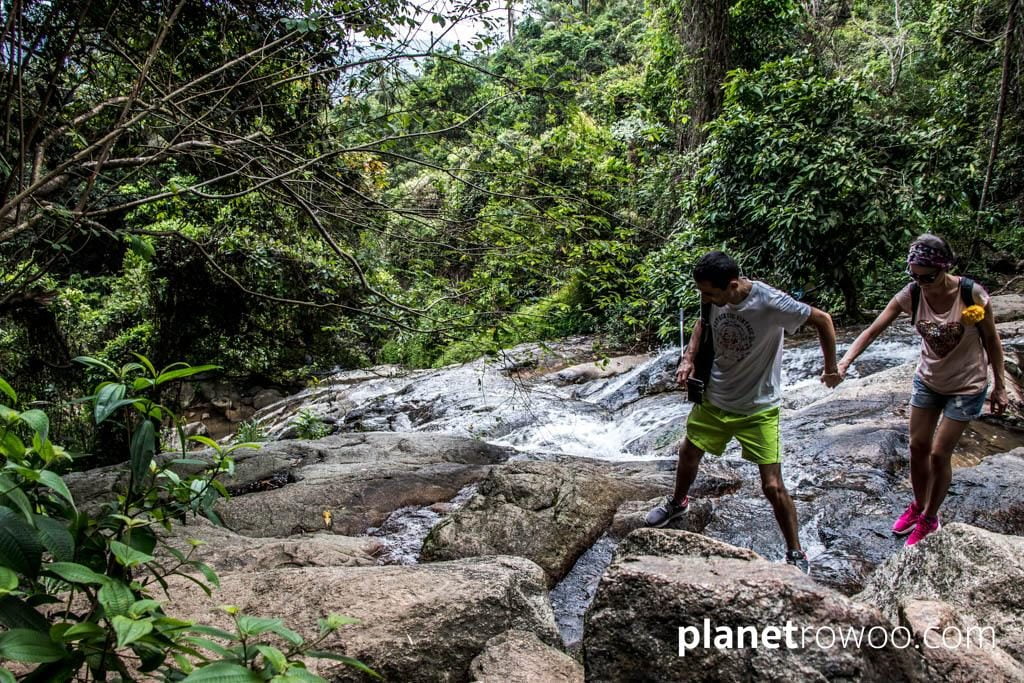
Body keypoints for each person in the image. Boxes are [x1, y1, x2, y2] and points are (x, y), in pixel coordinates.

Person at [644, 251, 840, 574]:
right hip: (716, 397)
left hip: (758, 407)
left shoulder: (771, 302)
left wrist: (830, 367)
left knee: (773, 486)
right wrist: (688, 357)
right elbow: (702, 323)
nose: (704, 298)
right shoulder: (712, 299)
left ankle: (796, 552)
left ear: (732, 285)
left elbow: (823, 320)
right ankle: (678, 503)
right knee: (688, 452)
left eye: (709, 293)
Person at [836, 234, 1008, 546]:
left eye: (927, 276)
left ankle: (930, 517)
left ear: (944, 269)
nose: (921, 282)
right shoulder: (911, 295)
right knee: (917, 447)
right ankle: (918, 505)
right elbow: (873, 330)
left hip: (967, 385)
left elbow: (992, 341)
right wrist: (845, 362)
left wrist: (1001, 387)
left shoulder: (971, 294)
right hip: (929, 380)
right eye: (914, 275)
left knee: (939, 453)